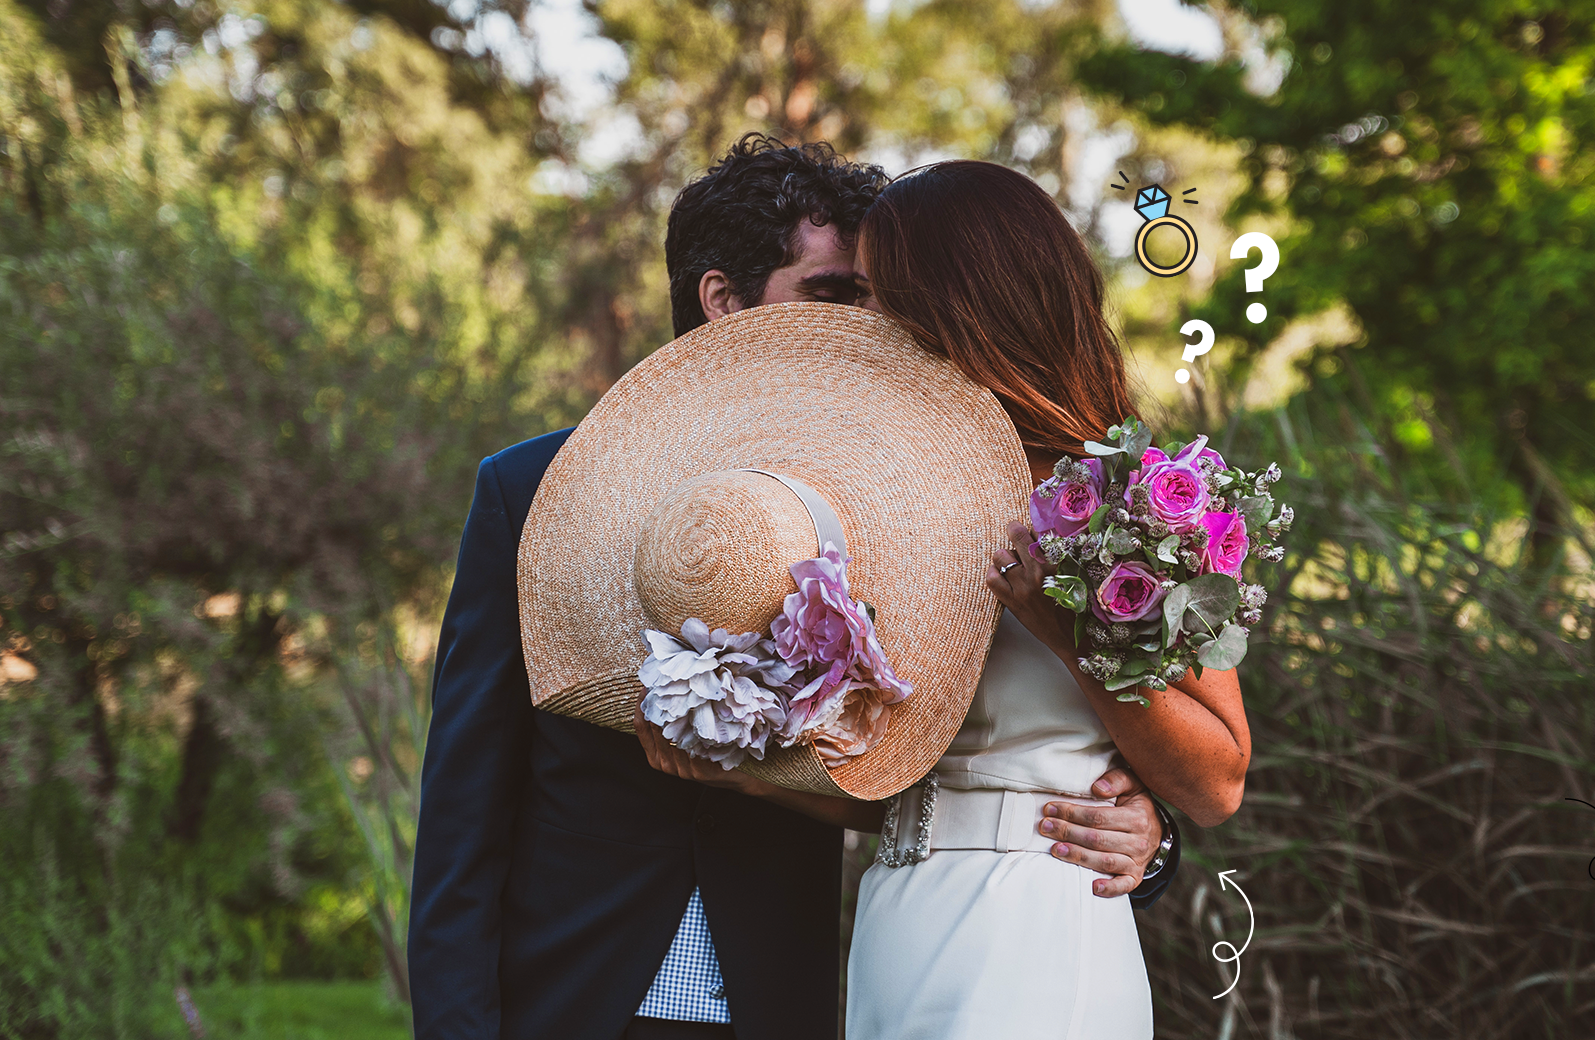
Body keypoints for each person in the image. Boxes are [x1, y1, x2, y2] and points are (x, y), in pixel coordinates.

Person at [407, 135, 1179, 1040]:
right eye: (833, 294)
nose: (864, 326)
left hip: (787, 999)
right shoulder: (535, 493)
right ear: (722, 300)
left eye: (873, 300)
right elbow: (463, 820)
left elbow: (946, 753)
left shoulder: (912, 501)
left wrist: (1146, 842)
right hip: (568, 999)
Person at [842, 161, 1254, 1040]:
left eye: (879, 295)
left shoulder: (1131, 499)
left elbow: (1218, 778)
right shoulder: (874, 492)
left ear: (956, 304)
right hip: (895, 912)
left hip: (1030, 919)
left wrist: (1069, 634)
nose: (860, 321)